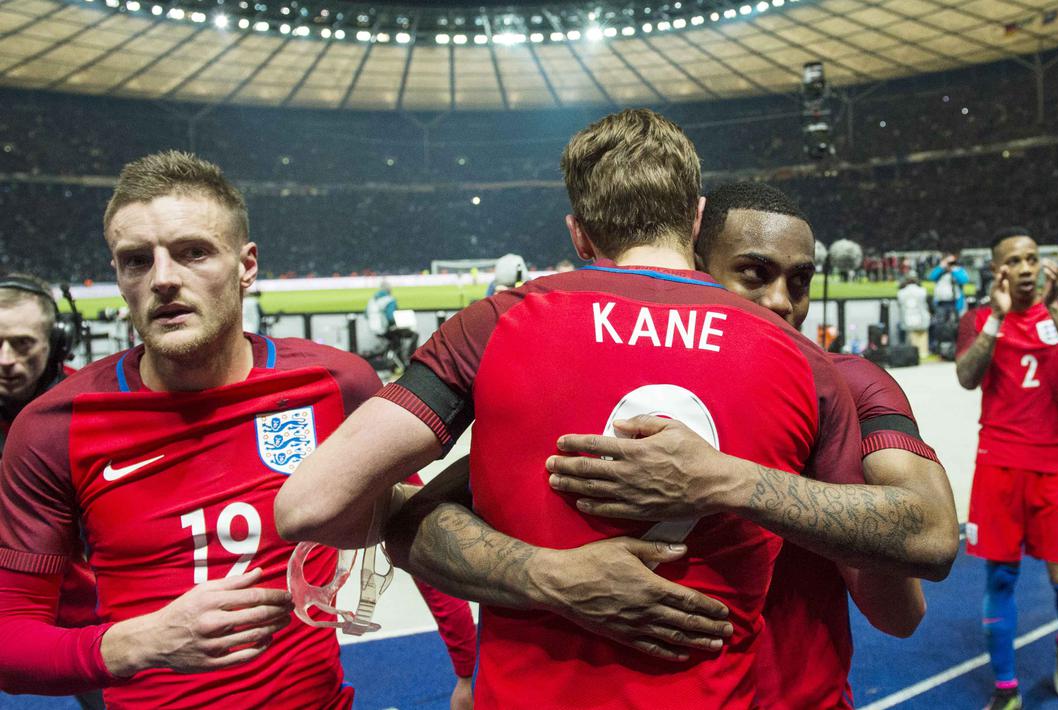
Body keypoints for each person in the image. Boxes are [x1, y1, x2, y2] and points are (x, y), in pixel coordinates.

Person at [276, 109, 866, 709]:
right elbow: (887, 568)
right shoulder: (799, 356)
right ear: (695, 219)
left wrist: (446, 525)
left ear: (579, 233)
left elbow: (307, 507)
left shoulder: (495, 325)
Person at [0, 151, 373, 708]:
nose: (164, 279)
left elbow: (409, 521)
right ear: (119, 278)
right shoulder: (52, 429)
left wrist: (465, 667)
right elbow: (11, 640)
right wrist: (140, 644)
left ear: (247, 265)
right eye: (137, 261)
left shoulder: (337, 382)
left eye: (193, 252)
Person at [955, 227, 1058, 710]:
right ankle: (1005, 690)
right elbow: (967, 377)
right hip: (997, 467)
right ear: (997, 270)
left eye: (1031, 259)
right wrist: (997, 319)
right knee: (1000, 579)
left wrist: (1055, 309)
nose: (1023, 269)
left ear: (1042, 265)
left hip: (1055, 466)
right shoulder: (979, 318)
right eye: (1013, 262)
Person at [0, 274, 103, 710]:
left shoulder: (95, 409)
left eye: (23, 344)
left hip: (89, 623)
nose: (5, 359)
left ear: (57, 343)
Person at [928, 253, 970, 356]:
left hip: (955, 303)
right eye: (948, 261)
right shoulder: (940, 272)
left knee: (956, 326)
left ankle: (956, 347)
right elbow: (931, 277)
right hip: (941, 303)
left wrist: (954, 270)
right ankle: (938, 348)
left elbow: (964, 280)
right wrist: (941, 267)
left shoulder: (958, 270)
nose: (950, 264)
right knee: (939, 325)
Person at [897, 276, 931, 359]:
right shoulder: (922, 291)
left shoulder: (901, 293)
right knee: (922, 337)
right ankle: (923, 353)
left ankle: (912, 354)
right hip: (922, 318)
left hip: (907, 319)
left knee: (911, 338)